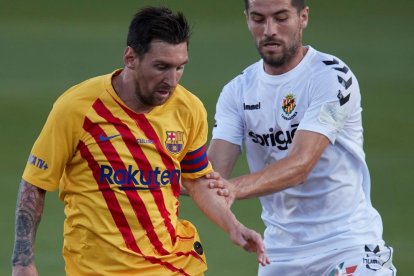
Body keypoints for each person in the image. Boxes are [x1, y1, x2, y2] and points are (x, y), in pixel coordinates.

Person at [11, 6, 269, 276]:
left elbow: (197, 180)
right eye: (161, 67)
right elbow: (35, 183)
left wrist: (233, 226)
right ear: (130, 57)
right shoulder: (77, 108)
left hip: (172, 265)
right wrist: (22, 263)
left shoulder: (188, 109)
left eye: (180, 67)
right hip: (97, 270)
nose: (172, 80)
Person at [207, 0, 397, 275]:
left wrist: (233, 189)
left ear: (303, 17)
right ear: (247, 19)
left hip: (347, 244)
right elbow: (211, 174)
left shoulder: (332, 77)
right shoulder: (237, 91)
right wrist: (141, 170)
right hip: (279, 255)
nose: (269, 30)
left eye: (281, 17)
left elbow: (301, 165)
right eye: (258, 19)